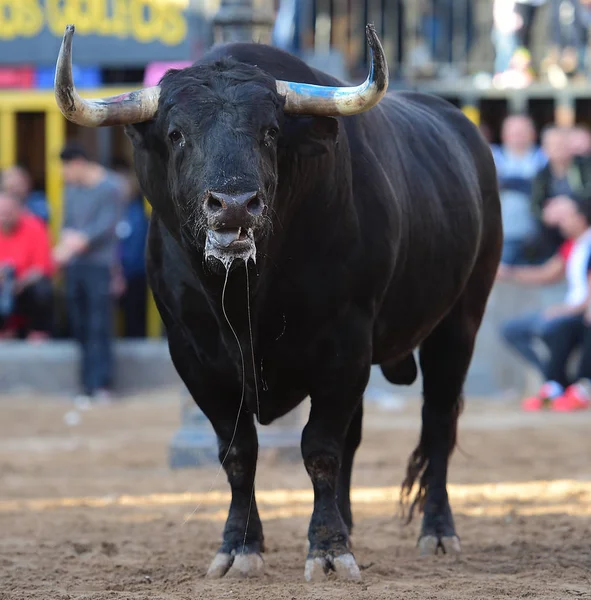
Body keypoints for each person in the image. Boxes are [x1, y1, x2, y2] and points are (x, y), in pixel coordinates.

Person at [499, 194, 591, 409]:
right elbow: (547, 273)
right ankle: (555, 384)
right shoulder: (572, 245)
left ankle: (580, 386)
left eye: (568, 217)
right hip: (574, 310)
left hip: (580, 310)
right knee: (522, 329)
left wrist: (566, 310)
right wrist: (508, 273)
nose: (562, 223)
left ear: (581, 218)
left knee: (555, 327)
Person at [54, 143, 123, 402]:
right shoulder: (70, 189)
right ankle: (86, 384)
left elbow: (107, 226)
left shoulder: (111, 187)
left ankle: (102, 384)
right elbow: (67, 222)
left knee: (99, 325)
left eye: (66, 168)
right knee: (81, 324)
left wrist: (77, 241)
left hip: (100, 265)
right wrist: (66, 242)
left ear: (78, 163)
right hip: (75, 265)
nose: (64, 174)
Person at [527, 124, 591, 262]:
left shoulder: (585, 165)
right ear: (544, 148)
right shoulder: (541, 175)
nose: (558, 149)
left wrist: (571, 204)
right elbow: (535, 206)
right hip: (554, 227)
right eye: (553, 145)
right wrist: (547, 214)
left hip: (584, 220)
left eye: (562, 143)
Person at [491, 114, 547, 265]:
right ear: (504, 135)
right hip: (501, 235)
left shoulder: (545, 157)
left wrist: (506, 183)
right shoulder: (491, 156)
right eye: (514, 133)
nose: (518, 137)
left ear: (533, 134)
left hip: (537, 234)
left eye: (523, 132)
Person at [0, 190, 53, 340]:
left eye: (8, 212)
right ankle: (4, 330)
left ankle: (38, 331)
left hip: (26, 285)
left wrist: (20, 282)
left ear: (19, 211)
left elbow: (42, 268)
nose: (4, 217)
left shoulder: (35, 226)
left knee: (42, 289)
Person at [112, 160, 149, 338]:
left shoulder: (138, 212)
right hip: (111, 275)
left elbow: (136, 249)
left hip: (135, 275)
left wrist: (124, 275)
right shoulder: (111, 211)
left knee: (135, 320)